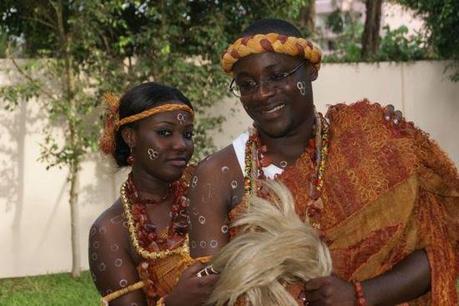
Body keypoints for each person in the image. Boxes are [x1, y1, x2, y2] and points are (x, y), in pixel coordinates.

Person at [188, 19, 458, 305]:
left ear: (311, 70)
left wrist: (360, 295)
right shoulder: (217, 175)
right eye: (247, 84)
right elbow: (210, 293)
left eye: (277, 76)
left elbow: (445, 243)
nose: (263, 93)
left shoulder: (373, 140)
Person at [89, 82, 217, 306]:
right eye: (165, 133)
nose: (181, 145)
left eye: (187, 134)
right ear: (130, 137)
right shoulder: (110, 231)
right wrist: (176, 302)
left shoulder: (208, 187)